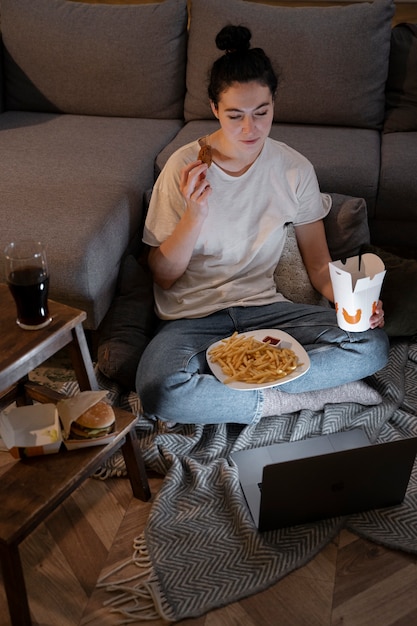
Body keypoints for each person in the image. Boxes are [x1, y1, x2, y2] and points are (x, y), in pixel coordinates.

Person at [136, 25, 389, 425]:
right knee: (160, 390)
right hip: (194, 322)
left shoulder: (294, 169)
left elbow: (320, 267)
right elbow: (163, 277)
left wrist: (349, 304)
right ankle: (294, 399)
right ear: (214, 108)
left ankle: (236, 394)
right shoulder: (184, 166)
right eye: (235, 115)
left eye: (262, 113)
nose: (250, 129)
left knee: (372, 345)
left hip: (269, 315)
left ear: (274, 104)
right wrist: (194, 215)